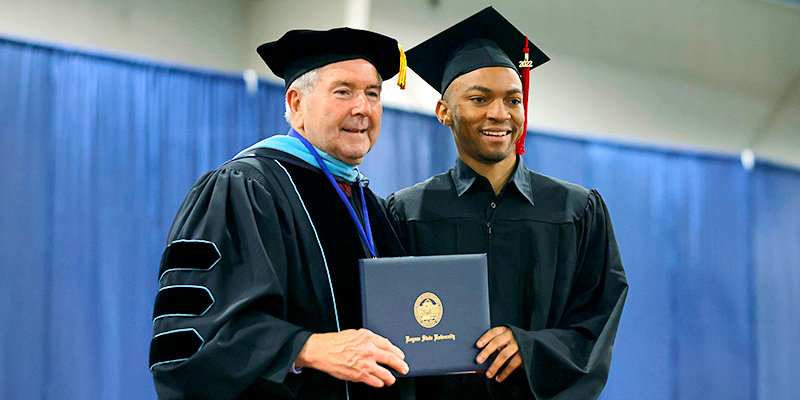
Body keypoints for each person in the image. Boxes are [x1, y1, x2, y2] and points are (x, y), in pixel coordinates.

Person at [149, 28, 413, 400]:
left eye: (373, 93)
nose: (363, 108)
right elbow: (194, 334)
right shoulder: (244, 187)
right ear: (297, 104)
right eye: (343, 91)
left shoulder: (369, 204)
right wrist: (308, 348)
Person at [387, 7, 629, 399]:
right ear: (444, 112)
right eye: (480, 98)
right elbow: (390, 330)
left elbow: (597, 323)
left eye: (513, 101)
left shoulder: (574, 210)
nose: (499, 114)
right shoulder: (407, 213)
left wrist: (530, 347)